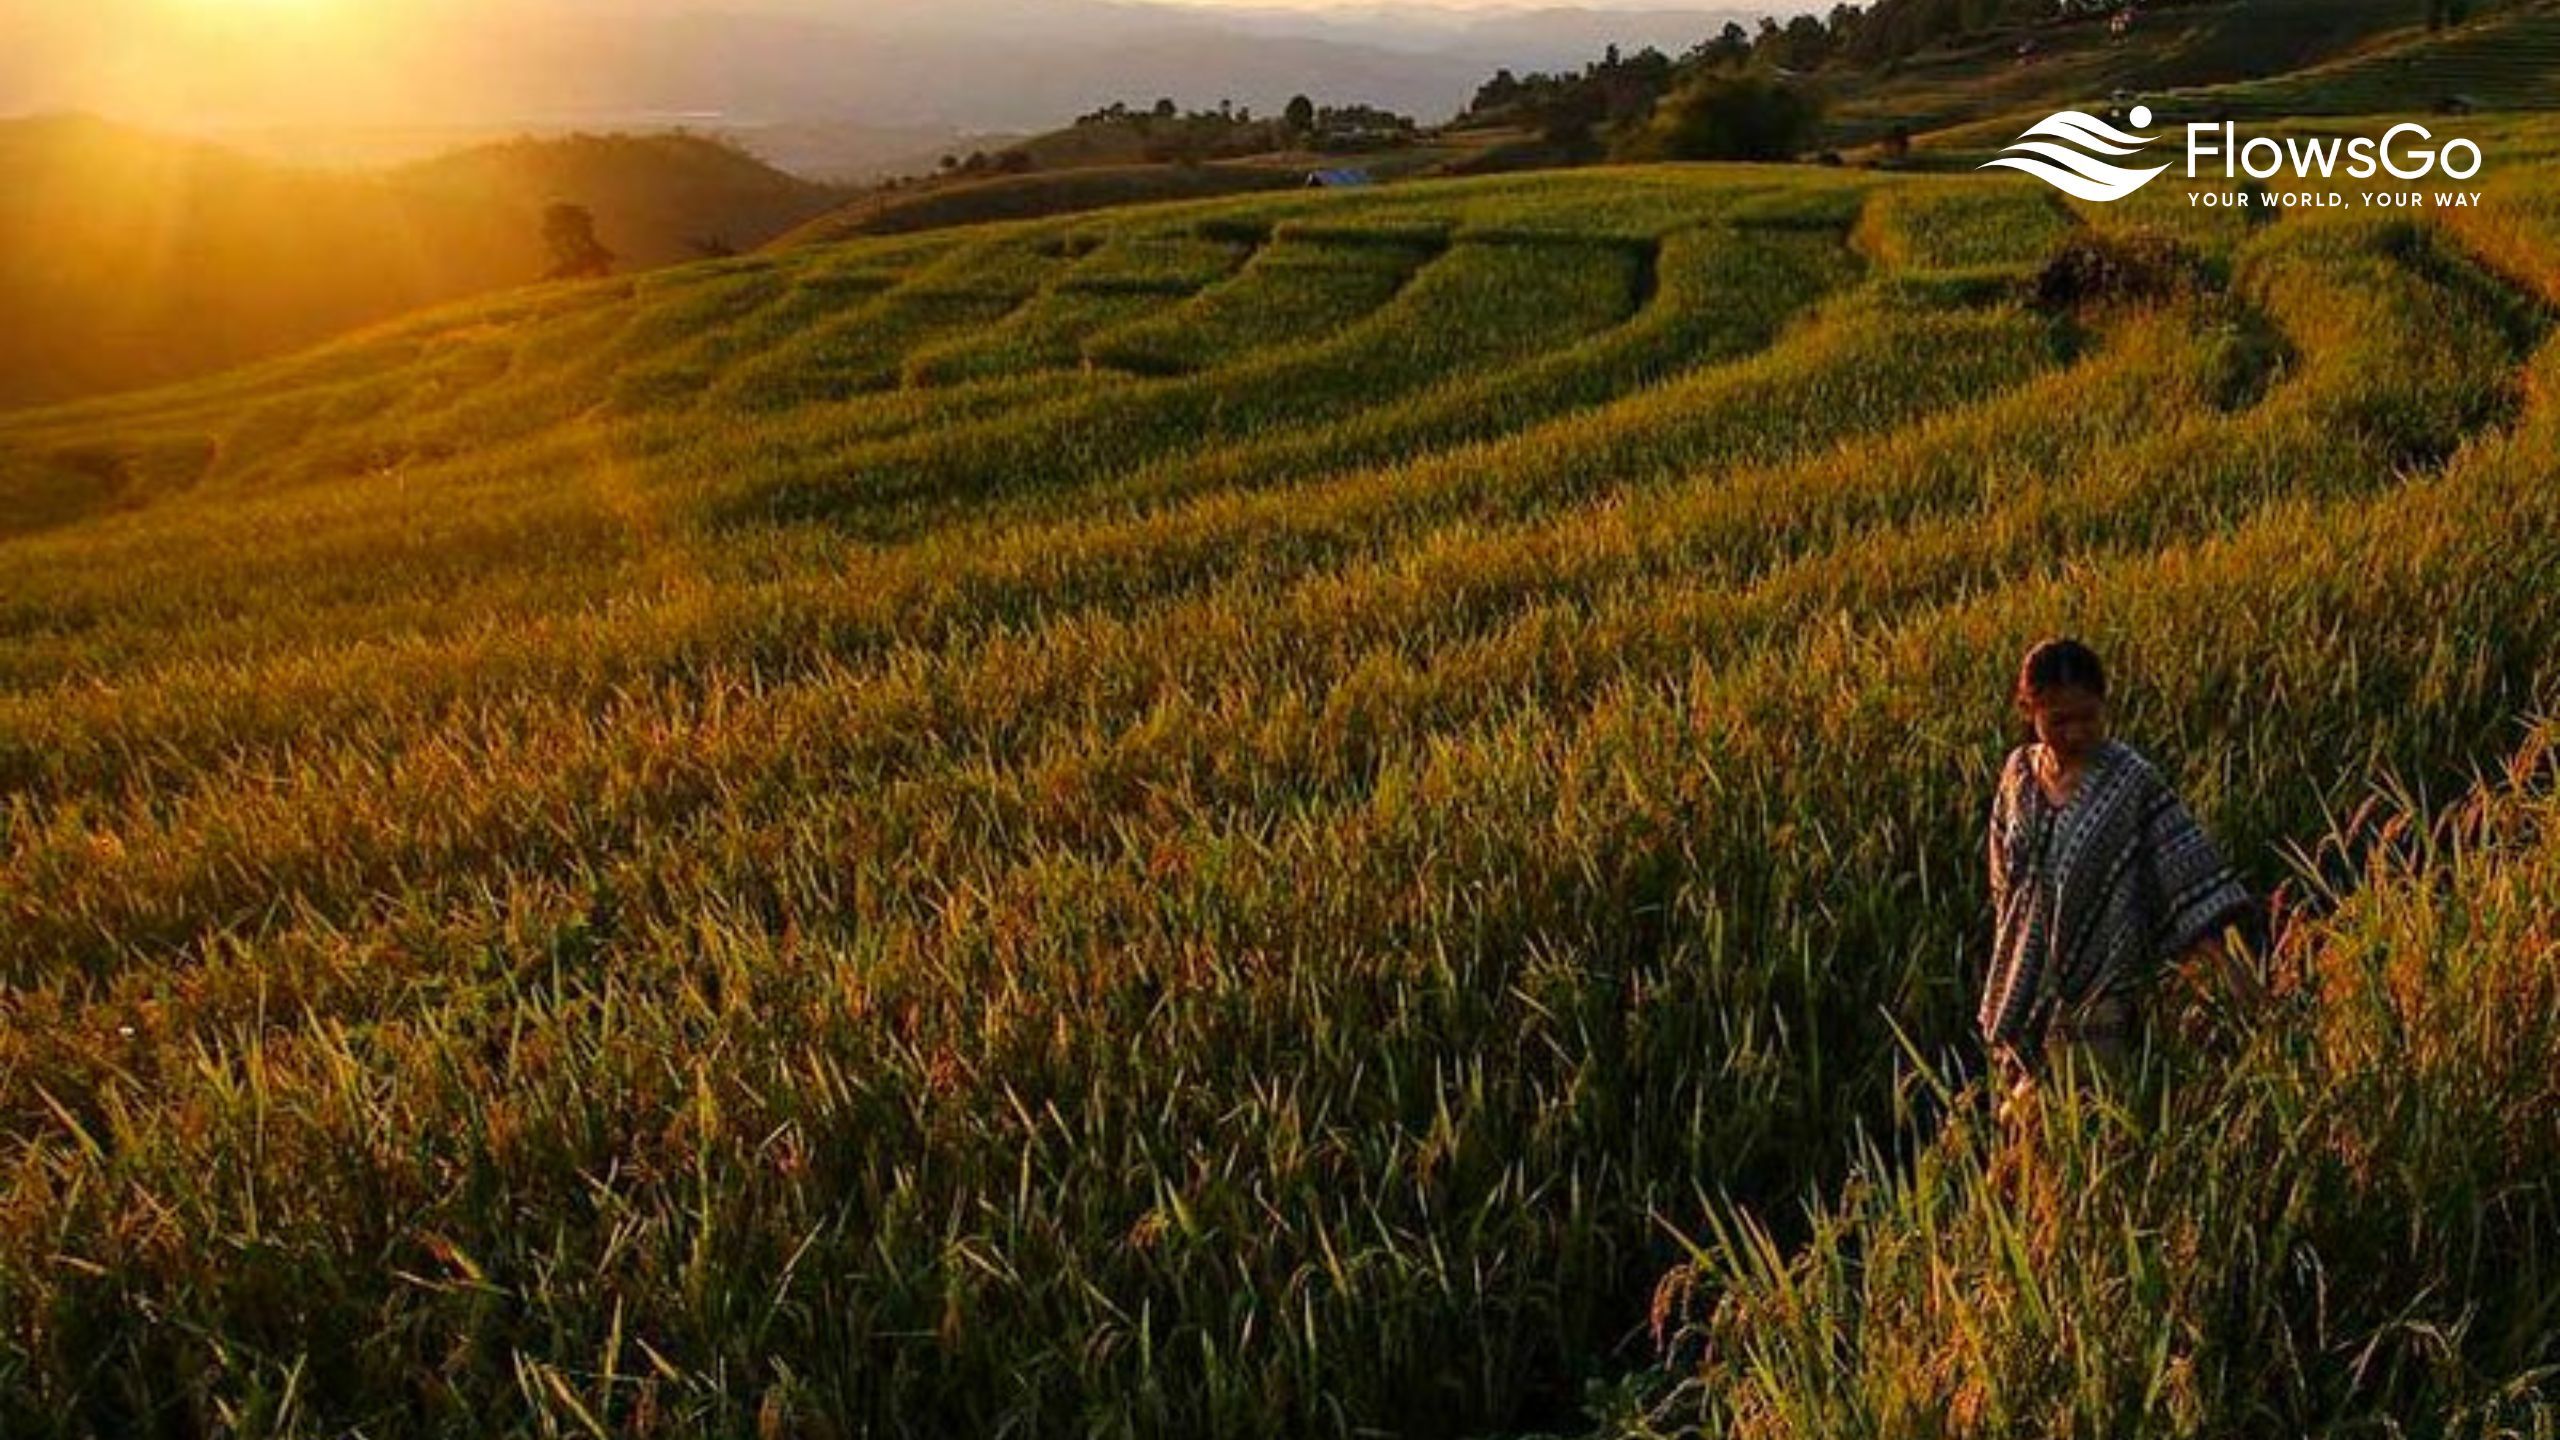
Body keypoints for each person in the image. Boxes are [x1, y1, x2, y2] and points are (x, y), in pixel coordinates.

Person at [1981, 637, 2267, 1118]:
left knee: (2085, 1124)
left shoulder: (2131, 782)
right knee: (2020, 1138)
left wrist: (2230, 969)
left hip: (2101, 994)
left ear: (2105, 705)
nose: (2074, 732)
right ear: (2029, 710)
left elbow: (2182, 878)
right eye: (2058, 720)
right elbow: (2002, 882)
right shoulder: (2018, 775)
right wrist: (2013, 963)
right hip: (2022, 987)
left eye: (2087, 716)